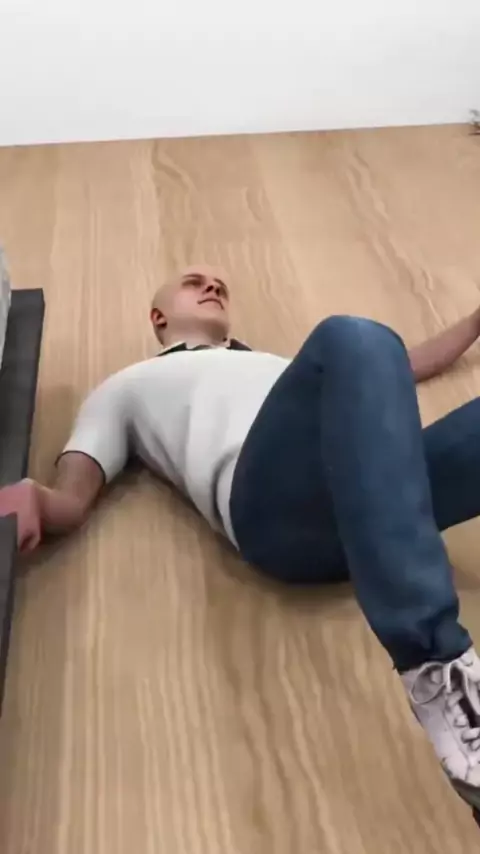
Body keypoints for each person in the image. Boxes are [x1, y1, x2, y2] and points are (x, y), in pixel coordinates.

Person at [2, 265, 480, 812]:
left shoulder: (283, 369)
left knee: (369, 346)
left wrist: (473, 321)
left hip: (372, 503)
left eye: (219, 285)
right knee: (355, 337)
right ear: (158, 318)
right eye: (193, 283)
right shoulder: (127, 386)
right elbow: (73, 490)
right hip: (274, 514)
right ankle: (442, 673)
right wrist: (38, 499)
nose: (212, 286)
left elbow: (398, 362)